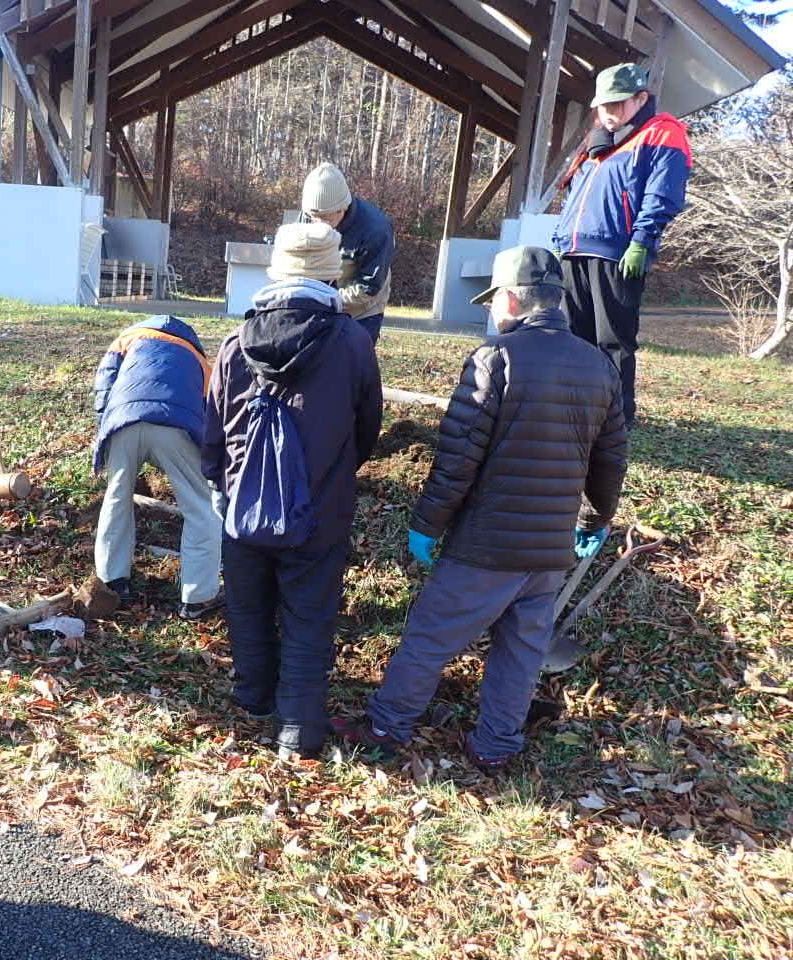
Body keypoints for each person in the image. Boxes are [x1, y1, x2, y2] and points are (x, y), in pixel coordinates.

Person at [333, 247, 628, 775]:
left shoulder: (498, 358)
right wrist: (595, 520)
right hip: (548, 550)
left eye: (494, 301)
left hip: (487, 545)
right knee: (521, 650)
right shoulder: (599, 366)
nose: (492, 311)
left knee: (429, 635)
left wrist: (427, 525)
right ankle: (495, 744)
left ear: (512, 299)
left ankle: (386, 726)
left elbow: (457, 459)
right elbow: (609, 461)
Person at [204, 221, 383, 760]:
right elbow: (367, 426)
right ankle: (297, 732)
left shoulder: (236, 342)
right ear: (331, 274)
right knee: (309, 617)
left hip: (243, 504)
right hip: (320, 510)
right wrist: (336, 471)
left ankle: (253, 698)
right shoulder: (351, 341)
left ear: (274, 272)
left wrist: (221, 484)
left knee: (248, 605)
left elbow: (212, 426)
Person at [552, 62, 691, 424]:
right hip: (574, 251)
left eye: (616, 104)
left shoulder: (662, 133)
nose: (608, 113)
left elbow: (663, 195)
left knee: (612, 340)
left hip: (617, 252)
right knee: (573, 338)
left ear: (640, 98)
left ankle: (615, 419)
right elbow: (575, 194)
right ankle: (574, 412)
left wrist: (642, 241)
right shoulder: (597, 142)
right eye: (602, 105)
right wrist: (560, 241)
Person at [93, 316, 222, 620]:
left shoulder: (125, 341)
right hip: (175, 426)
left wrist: (105, 432)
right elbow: (211, 410)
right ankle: (197, 598)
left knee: (116, 498)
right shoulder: (198, 359)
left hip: (123, 422)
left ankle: (112, 581)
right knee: (201, 507)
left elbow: (103, 388)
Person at [301, 161, 394, 345]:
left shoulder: (376, 229)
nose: (318, 224)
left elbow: (368, 287)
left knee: (353, 362)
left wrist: (326, 300)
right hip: (319, 305)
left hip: (362, 312)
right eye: (314, 218)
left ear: (342, 208)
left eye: (326, 218)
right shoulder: (307, 216)